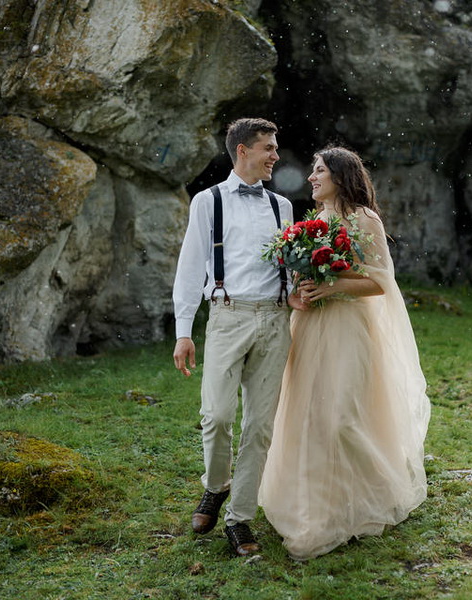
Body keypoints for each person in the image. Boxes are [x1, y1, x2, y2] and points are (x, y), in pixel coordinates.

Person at [259, 146, 431, 560]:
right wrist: (303, 285)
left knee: (341, 417)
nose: (311, 178)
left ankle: (368, 496)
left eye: (319, 171)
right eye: (312, 171)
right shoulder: (313, 220)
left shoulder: (363, 218)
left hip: (348, 329)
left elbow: (380, 283)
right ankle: (315, 507)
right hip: (309, 327)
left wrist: (333, 286)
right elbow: (304, 273)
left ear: (339, 175)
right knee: (308, 416)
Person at [172, 117, 293, 557]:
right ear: (243, 150)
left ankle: (239, 518)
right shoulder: (208, 202)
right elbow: (190, 267)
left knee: (259, 426)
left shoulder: (283, 206)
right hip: (227, 317)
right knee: (217, 415)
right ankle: (216, 485)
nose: (275, 155)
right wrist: (184, 332)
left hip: (276, 320)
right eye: (268, 148)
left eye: (275, 148)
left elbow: (287, 266)